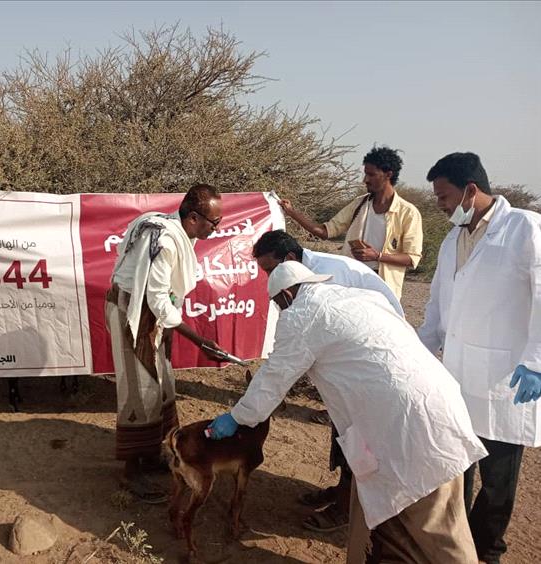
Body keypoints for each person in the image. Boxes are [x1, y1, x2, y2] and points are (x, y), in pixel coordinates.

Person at [208, 261, 487, 563]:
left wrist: (238, 417)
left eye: (278, 304)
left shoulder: (304, 314)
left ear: (287, 295)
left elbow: (272, 379)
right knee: (380, 513)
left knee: (439, 531)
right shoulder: (360, 298)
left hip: (413, 430)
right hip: (431, 408)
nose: (281, 310)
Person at [417, 152, 541, 564]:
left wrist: (537, 361)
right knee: (457, 467)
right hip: (456, 374)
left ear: (471, 190)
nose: (440, 204)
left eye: (444, 195)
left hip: (506, 377)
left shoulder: (524, 227)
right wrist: (418, 354)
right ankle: (457, 546)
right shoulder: (454, 238)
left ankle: (488, 551)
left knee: (498, 478)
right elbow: (437, 304)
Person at [252, 229, 403, 533]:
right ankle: (343, 490)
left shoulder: (333, 274)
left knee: (358, 439)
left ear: (290, 259)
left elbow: (288, 360)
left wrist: (243, 415)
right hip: (352, 368)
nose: (268, 276)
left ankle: (346, 507)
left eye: (270, 269)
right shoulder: (305, 278)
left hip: (371, 369)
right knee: (344, 434)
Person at [106, 183, 228, 503]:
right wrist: (198, 340)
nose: (218, 228)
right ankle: (132, 473)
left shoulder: (175, 233)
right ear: (192, 218)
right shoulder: (165, 240)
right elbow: (158, 299)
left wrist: (172, 330)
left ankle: (149, 455)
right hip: (131, 313)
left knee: (162, 384)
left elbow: (164, 299)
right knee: (140, 388)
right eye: (213, 222)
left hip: (150, 313)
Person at [279, 146, 422, 300]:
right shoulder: (359, 204)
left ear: (388, 175)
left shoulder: (408, 212)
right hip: (351, 283)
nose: (365, 180)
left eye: (371, 175)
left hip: (383, 288)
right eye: (365, 174)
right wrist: (291, 212)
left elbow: (411, 258)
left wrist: (377, 256)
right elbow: (325, 231)